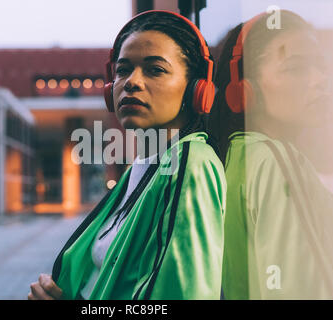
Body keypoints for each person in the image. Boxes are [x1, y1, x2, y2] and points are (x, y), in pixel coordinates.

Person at [27, 10, 226, 300]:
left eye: (155, 69)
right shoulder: (141, 169)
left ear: (196, 89)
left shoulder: (192, 163)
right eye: (123, 70)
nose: (132, 82)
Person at [209, 10, 333, 299]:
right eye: (296, 69)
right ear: (243, 88)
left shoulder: (233, 157)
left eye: (321, 67)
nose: (320, 80)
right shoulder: (275, 159)